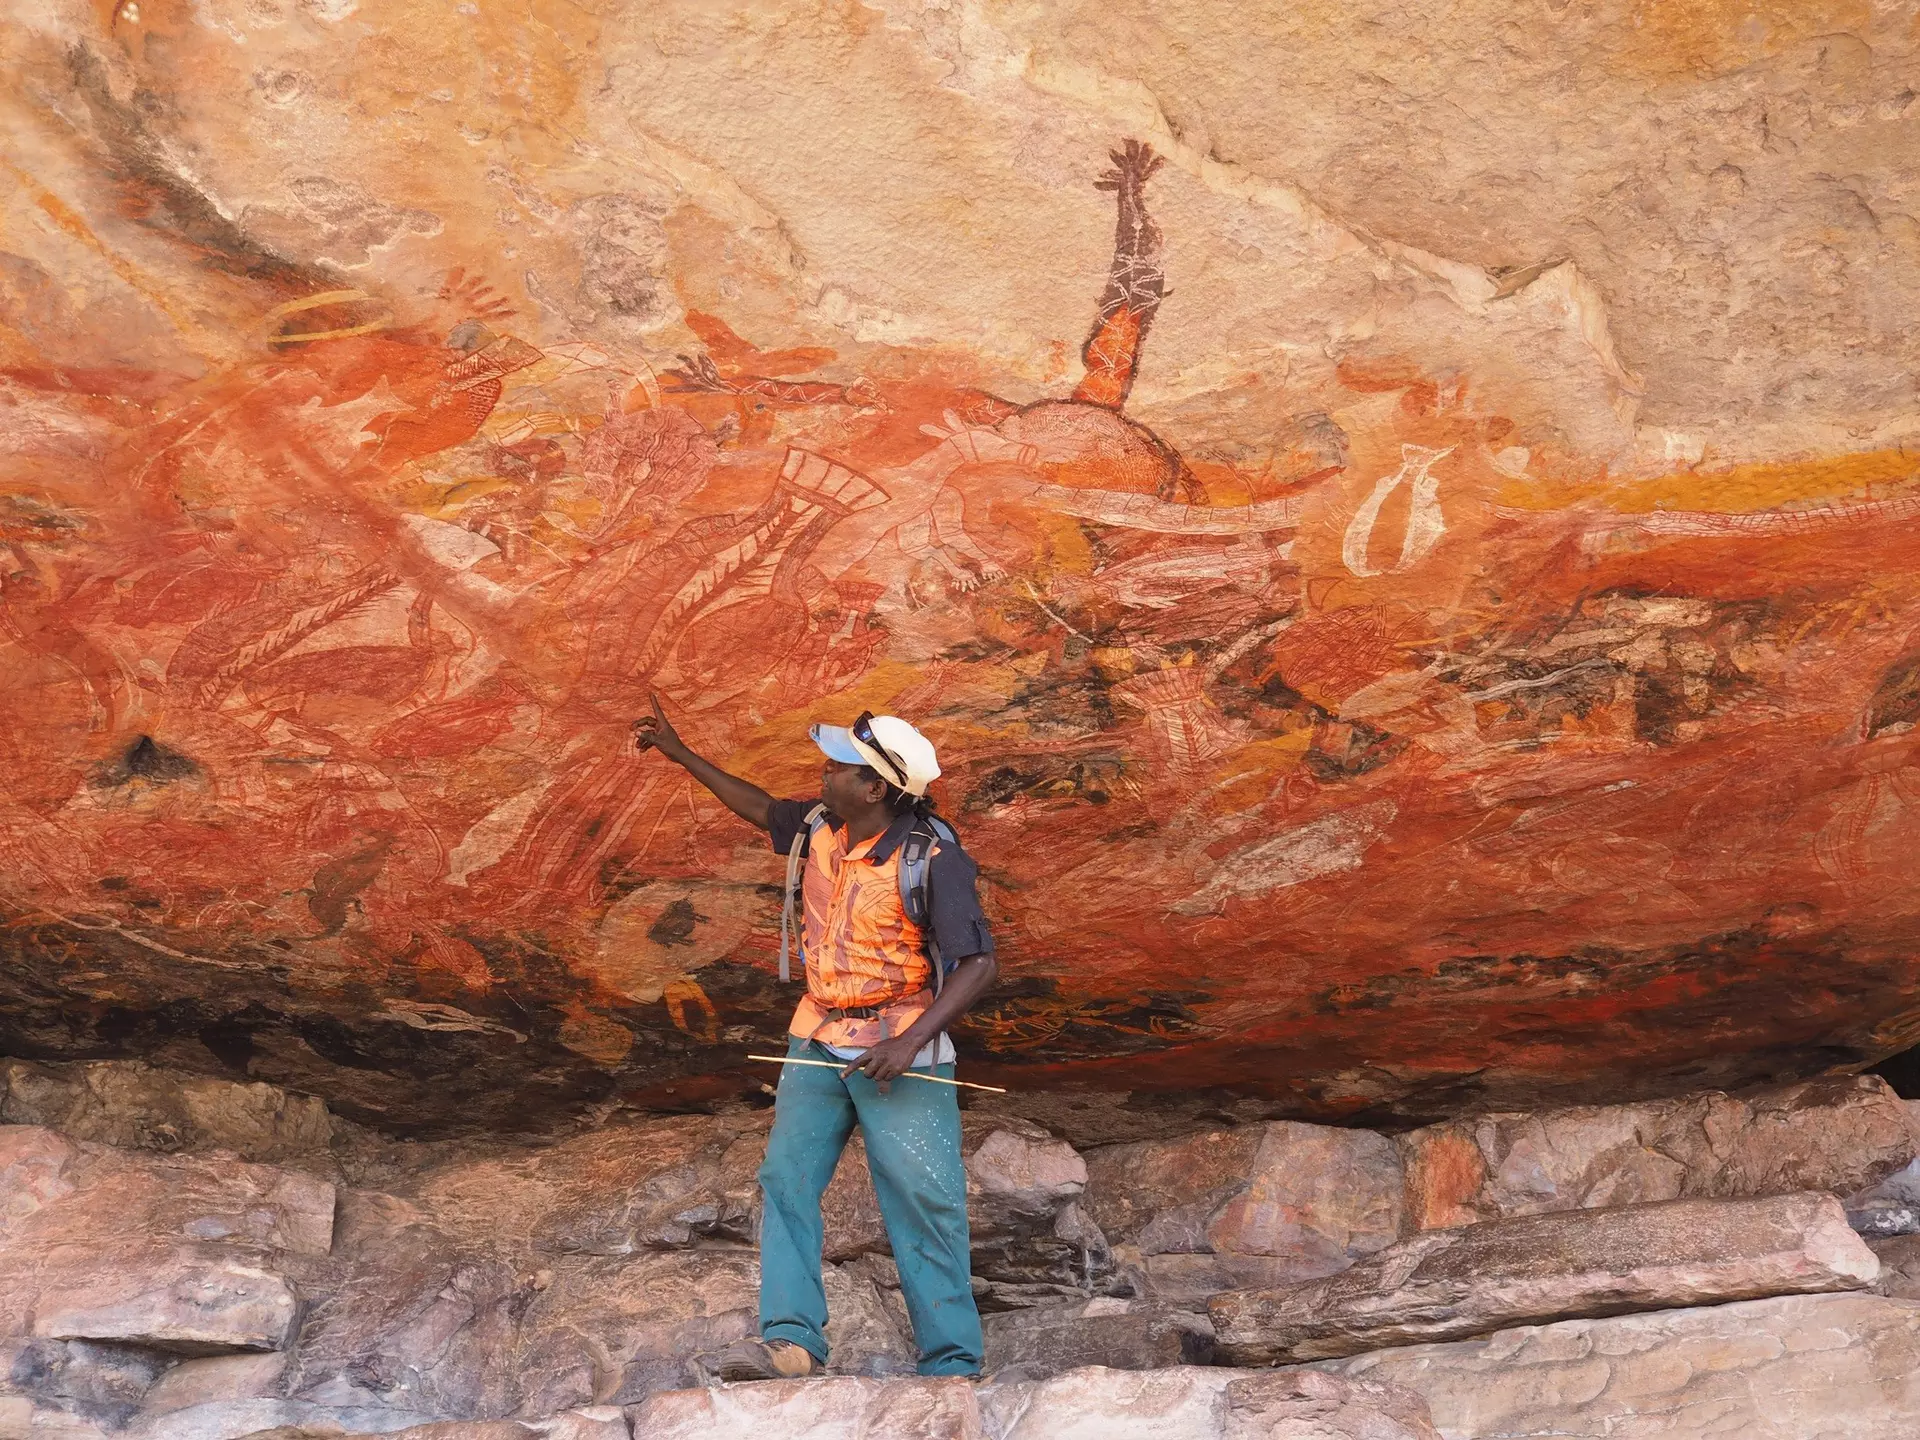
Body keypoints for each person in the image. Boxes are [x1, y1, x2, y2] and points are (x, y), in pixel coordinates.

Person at [633, 695, 998, 1381]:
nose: (823, 772)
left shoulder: (934, 859)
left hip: (897, 1045)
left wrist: (911, 1041)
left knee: (923, 1196)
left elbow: (980, 964)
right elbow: (760, 806)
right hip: (817, 1032)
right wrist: (682, 756)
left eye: (839, 765)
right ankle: (793, 1342)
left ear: (874, 786)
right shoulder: (820, 826)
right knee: (787, 1181)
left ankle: (952, 1363)